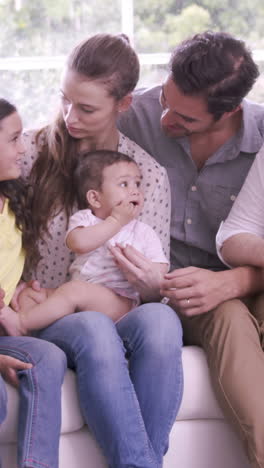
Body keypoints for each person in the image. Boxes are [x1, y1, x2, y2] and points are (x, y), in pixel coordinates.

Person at [14, 34, 183, 468]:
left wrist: (150, 286)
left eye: (86, 108)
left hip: (120, 311)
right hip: (52, 311)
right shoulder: (28, 155)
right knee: (91, 327)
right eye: (64, 100)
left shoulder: (146, 174)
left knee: (162, 319)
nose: (70, 116)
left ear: (124, 104)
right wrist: (14, 292)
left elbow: (152, 290)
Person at [117, 31, 264, 467]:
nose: (166, 119)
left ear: (231, 111)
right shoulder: (134, 115)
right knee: (226, 315)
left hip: (246, 280)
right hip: (174, 291)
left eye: (186, 120)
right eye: (166, 99)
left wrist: (237, 280)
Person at [0, 150, 169, 335]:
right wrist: (116, 221)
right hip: (81, 293)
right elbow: (78, 243)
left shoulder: (142, 231)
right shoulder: (84, 219)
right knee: (31, 295)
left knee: (73, 291)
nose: (135, 190)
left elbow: (160, 271)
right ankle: (30, 334)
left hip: (119, 301)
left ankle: (22, 323)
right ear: (95, 198)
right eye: (124, 184)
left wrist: (147, 274)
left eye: (137, 183)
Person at [0, 97, 67, 468]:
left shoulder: (13, 199)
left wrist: (19, 294)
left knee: (48, 356)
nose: (22, 148)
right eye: (12, 139)